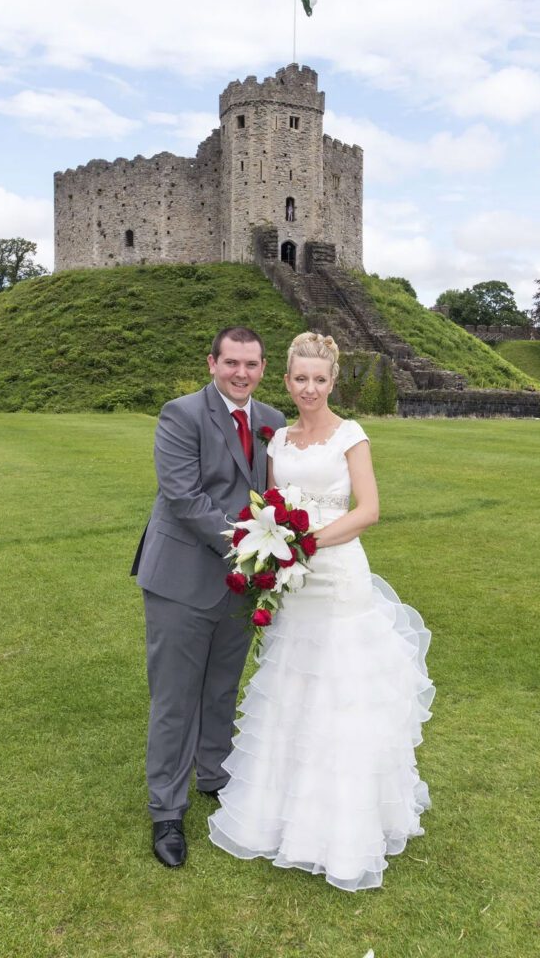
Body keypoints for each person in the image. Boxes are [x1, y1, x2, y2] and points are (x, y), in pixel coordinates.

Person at [208, 332, 435, 892]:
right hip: (294, 582)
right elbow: (267, 504)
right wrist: (274, 549)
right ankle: (283, 812)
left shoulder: (351, 436)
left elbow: (370, 511)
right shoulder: (277, 439)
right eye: (300, 378)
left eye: (320, 379)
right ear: (286, 381)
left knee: (341, 691)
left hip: (336, 578)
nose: (310, 388)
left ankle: (345, 825)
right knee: (293, 685)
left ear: (334, 382)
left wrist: (306, 544)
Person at [132, 327, 286, 868]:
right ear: (212, 363)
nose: (241, 373)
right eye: (231, 363)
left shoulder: (273, 421)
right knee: (176, 699)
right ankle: (166, 811)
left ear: (263, 368)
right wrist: (252, 545)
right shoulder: (181, 414)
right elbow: (184, 497)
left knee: (221, 687)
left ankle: (215, 777)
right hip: (182, 578)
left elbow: (278, 495)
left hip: (243, 584)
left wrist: (283, 541)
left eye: (251, 364)